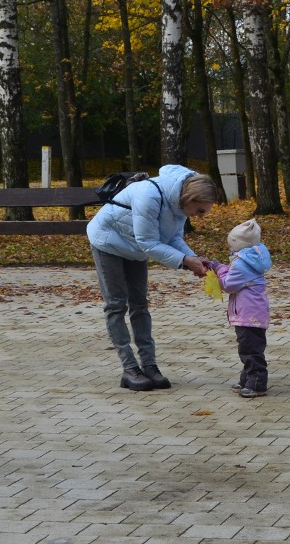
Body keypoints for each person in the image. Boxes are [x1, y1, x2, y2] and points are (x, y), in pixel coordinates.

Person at [87, 165, 217, 391]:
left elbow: (172, 237)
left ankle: (149, 365)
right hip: (108, 242)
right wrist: (185, 261)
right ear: (191, 197)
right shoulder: (150, 195)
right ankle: (129, 369)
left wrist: (192, 258)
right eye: (201, 210)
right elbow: (148, 242)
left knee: (140, 305)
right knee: (116, 305)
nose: (200, 216)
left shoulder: (179, 205)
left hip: (135, 248)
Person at [205, 218, 272, 399]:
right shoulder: (249, 259)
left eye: (231, 245)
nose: (230, 249)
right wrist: (220, 266)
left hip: (248, 314)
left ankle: (257, 383)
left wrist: (219, 270)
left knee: (250, 350)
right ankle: (247, 379)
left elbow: (228, 284)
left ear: (240, 245)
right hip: (252, 312)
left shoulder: (242, 264)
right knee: (248, 347)